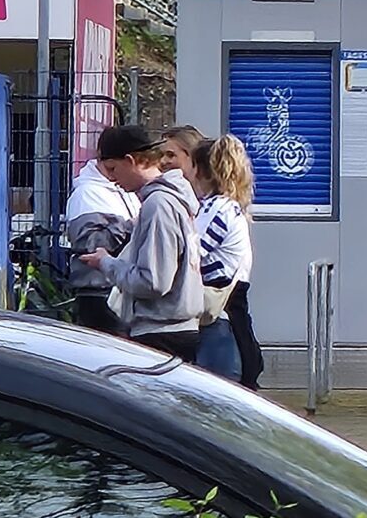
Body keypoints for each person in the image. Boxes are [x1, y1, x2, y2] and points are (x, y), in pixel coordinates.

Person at [73, 127, 203, 361]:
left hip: (160, 332)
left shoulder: (158, 204)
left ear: (131, 160)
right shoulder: (174, 199)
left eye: (113, 168)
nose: (112, 179)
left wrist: (107, 263)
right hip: (174, 327)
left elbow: (153, 282)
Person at [63, 123, 148, 334]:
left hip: (119, 287)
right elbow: (90, 246)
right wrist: (130, 226)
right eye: (110, 169)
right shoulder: (86, 194)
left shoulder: (125, 191)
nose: (114, 177)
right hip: (99, 292)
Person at [188, 135, 255, 380]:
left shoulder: (217, 209)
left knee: (216, 379)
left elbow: (192, 250)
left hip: (219, 306)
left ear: (201, 171)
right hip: (228, 302)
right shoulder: (228, 207)